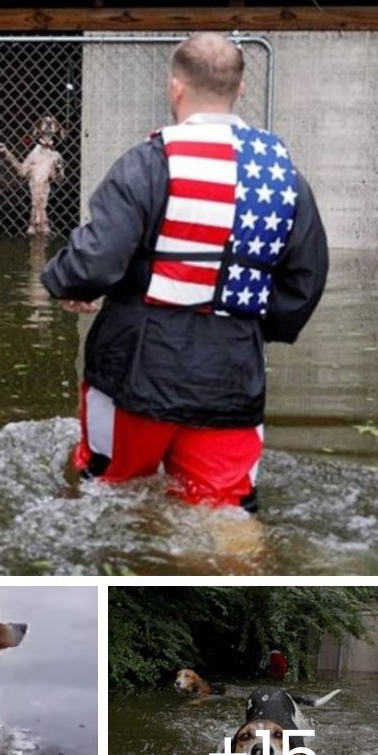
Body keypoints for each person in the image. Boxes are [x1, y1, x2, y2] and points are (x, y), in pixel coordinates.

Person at [41, 32, 328, 512]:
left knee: (107, 495)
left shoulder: (149, 163)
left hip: (137, 368)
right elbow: (306, 280)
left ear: (175, 87)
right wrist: (250, 326)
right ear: (240, 90)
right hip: (232, 373)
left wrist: (67, 282)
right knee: (226, 513)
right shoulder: (283, 176)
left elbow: (95, 260)